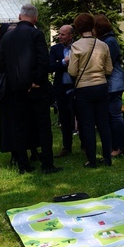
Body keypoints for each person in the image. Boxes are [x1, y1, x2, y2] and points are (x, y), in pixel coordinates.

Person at [0, 4, 61, 174]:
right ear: (36, 18)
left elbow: (1, 63)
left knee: (20, 127)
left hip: (15, 89)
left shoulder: (7, 37)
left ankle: (23, 164)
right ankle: (47, 163)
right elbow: (43, 60)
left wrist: (15, 80)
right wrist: (36, 81)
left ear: (19, 16)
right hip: (37, 89)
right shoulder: (36, 34)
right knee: (43, 126)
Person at [68, 12, 113, 169]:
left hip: (84, 89)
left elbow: (72, 71)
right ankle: (107, 157)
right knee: (103, 124)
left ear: (78, 28)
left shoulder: (76, 46)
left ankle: (92, 160)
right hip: (101, 86)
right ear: (92, 25)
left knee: (87, 125)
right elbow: (109, 70)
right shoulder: (103, 45)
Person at [94, 14, 124, 158]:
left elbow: (108, 63)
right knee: (108, 117)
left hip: (113, 84)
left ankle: (118, 147)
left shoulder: (110, 41)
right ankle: (112, 146)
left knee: (115, 116)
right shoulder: (105, 40)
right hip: (109, 83)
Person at [49, 24, 76, 157]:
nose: (59, 37)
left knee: (81, 117)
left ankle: (85, 146)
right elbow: (50, 66)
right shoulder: (55, 49)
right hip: (61, 89)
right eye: (59, 34)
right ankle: (67, 147)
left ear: (71, 36)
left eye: (63, 34)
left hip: (77, 87)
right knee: (64, 119)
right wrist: (64, 62)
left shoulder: (78, 47)